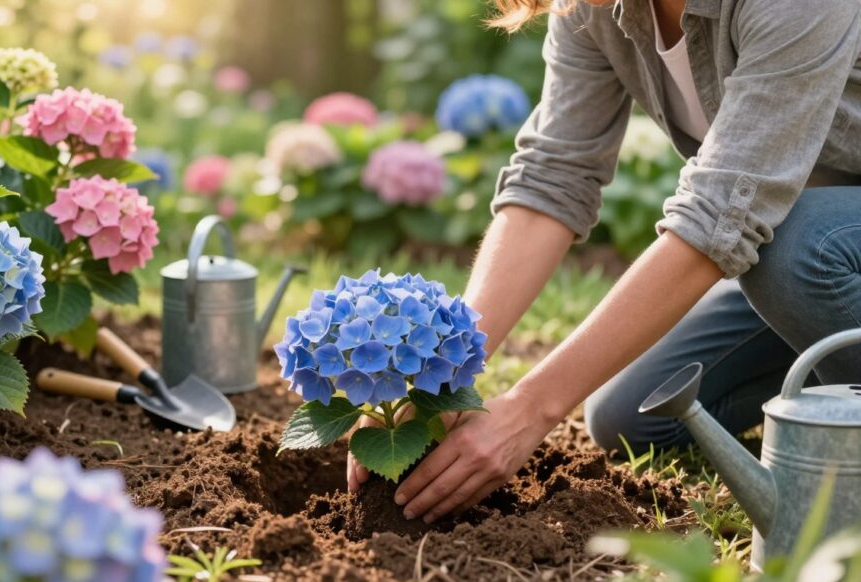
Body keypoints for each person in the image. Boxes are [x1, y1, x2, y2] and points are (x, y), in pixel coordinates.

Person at [347, 0, 861, 524]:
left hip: (815, 244)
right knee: (635, 414)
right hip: (820, 259)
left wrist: (530, 408)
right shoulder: (593, 6)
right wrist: (446, 363)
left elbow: (725, 211)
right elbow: (554, 174)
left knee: (799, 249)